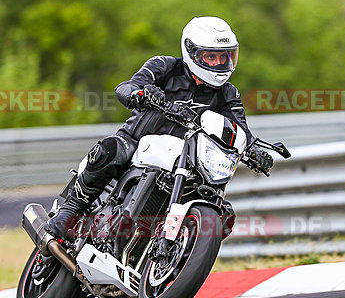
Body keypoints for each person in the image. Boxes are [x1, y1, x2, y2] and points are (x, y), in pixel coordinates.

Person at [45, 16, 273, 242]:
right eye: (210, 57)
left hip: (185, 159)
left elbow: (241, 130)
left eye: (223, 57)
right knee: (110, 150)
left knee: (222, 211)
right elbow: (127, 87)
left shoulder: (228, 93)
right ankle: (69, 211)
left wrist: (255, 151)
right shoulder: (164, 67)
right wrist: (140, 94)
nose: (218, 64)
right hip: (137, 142)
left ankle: (177, 254)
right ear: (191, 52)